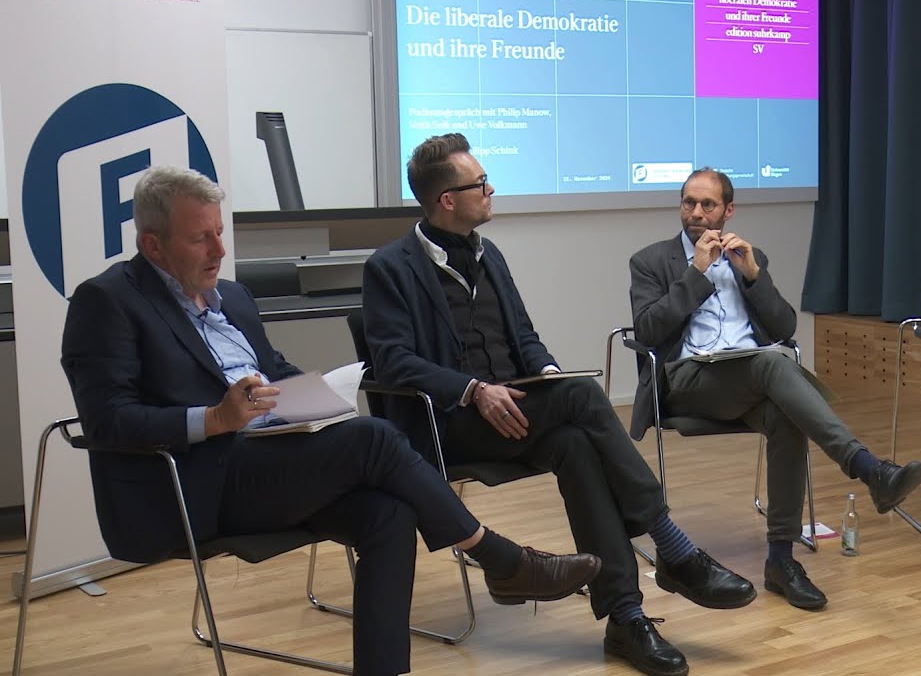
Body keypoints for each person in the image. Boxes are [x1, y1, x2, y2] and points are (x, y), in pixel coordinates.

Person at [61, 165, 601, 676]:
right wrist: (213, 419)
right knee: (373, 437)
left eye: (220, 233)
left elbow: (272, 372)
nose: (220, 250)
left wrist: (320, 394)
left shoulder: (232, 296)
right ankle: (499, 558)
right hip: (192, 483)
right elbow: (108, 421)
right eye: (201, 238)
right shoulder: (106, 302)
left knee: (387, 513)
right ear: (152, 245)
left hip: (267, 464)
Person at [362, 134, 755, 676]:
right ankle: (673, 547)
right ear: (447, 199)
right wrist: (473, 390)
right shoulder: (390, 267)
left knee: (574, 434)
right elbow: (392, 364)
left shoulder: (488, 253)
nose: (490, 188)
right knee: (582, 396)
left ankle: (626, 616)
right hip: (448, 423)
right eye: (479, 183)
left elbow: (524, 337)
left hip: (517, 410)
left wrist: (546, 372)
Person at [628, 167, 921, 612]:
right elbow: (648, 331)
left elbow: (785, 327)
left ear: (728, 211)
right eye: (688, 202)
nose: (696, 213)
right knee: (772, 363)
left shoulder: (751, 256)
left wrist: (752, 276)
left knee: (786, 413)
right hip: (686, 378)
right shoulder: (652, 260)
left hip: (747, 379)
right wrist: (696, 272)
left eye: (707, 204)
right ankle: (867, 468)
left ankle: (781, 561)